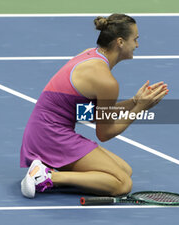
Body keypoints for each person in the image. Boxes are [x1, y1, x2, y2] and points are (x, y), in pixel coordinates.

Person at [20, 13, 169, 198]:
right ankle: (46, 176)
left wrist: (134, 102)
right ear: (120, 42)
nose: (137, 45)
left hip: (42, 131)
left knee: (124, 170)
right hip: (51, 136)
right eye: (135, 39)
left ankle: (48, 171)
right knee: (122, 184)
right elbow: (104, 133)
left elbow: (88, 113)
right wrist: (139, 110)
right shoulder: (106, 81)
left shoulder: (90, 54)